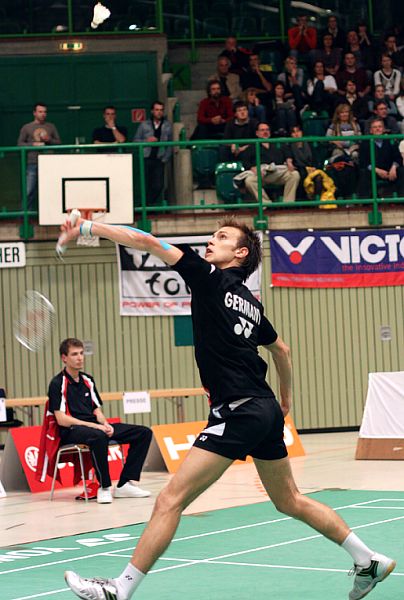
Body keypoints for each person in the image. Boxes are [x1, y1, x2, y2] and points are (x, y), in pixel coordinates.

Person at [60, 215, 396, 600]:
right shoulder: (251, 303)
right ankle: (367, 559)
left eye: (221, 237)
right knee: (289, 500)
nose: (211, 240)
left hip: (237, 409)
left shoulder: (208, 277)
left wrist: (89, 229)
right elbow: (281, 349)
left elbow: (148, 241)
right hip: (264, 407)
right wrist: (285, 400)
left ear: (240, 253)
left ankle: (120, 589)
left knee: (171, 500)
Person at [48, 338, 153, 504]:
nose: (80, 357)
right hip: (72, 431)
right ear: (64, 358)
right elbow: (61, 419)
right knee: (98, 436)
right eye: (74, 354)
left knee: (144, 432)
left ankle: (124, 483)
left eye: (81, 353)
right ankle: (104, 486)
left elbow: (96, 410)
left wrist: (105, 424)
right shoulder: (57, 383)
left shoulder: (88, 380)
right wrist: (96, 426)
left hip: (95, 427)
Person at [238, 122, 300, 202]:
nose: (265, 132)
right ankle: (266, 204)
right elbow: (245, 162)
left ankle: (288, 202)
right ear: (257, 133)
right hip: (261, 175)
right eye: (262, 130)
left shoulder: (277, 143)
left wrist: (289, 161)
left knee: (295, 174)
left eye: (267, 130)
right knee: (249, 181)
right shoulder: (252, 146)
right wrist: (253, 168)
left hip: (278, 173)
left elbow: (287, 153)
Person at [17, 102, 61, 210]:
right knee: (29, 191)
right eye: (40, 112)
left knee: (51, 190)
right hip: (33, 162)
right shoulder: (27, 127)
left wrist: (49, 140)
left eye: (45, 112)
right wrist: (32, 144)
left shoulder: (51, 126)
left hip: (49, 163)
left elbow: (59, 143)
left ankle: (51, 217)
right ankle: (25, 220)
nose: (43, 114)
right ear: (34, 113)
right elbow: (19, 144)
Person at [134, 101, 173, 205]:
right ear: (152, 111)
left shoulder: (167, 125)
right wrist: (146, 141)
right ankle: (145, 208)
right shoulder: (144, 125)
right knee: (145, 185)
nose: (159, 112)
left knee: (158, 185)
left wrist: (165, 158)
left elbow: (170, 143)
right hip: (146, 158)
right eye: (157, 110)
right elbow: (135, 141)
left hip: (159, 159)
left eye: (161, 110)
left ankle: (147, 205)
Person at [358, 117, 404, 198]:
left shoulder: (390, 140)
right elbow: (363, 162)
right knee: (364, 173)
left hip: (390, 170)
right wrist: (377, 170)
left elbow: (398, 158)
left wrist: (393, 167)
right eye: (375, 127)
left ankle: (401, 200)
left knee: (401, 171)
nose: (377, 129)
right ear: (371, 130)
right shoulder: (365, 143)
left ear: (384, 129)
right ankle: (366, 203)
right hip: (373, 171)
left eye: (380, 127)